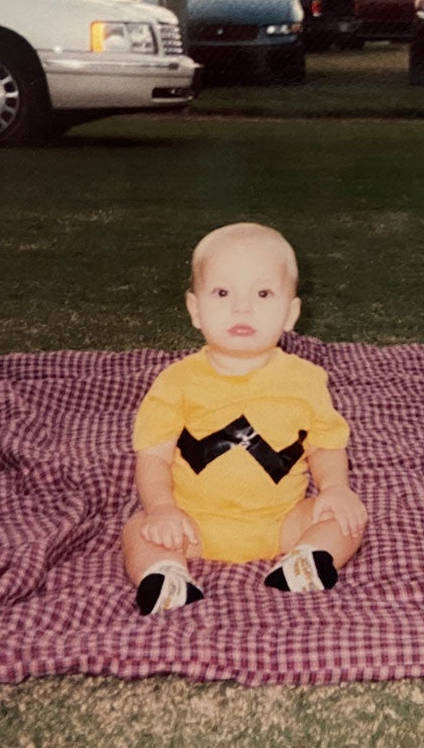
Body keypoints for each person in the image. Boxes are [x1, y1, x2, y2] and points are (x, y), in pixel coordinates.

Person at [122, 222, 368, 615]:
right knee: (137, 530)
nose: (242, 308)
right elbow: (153, 456)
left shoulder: (306, 380)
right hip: (192, 525)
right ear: (195, 309)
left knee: (346, 520)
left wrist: (336, 488)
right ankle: (165, 575)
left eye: (263, 293)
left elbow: (325, 443)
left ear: (291, 313)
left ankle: (307, 561)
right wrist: (162, 508)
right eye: (222, 292)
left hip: (282, 522)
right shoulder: (176, 382)